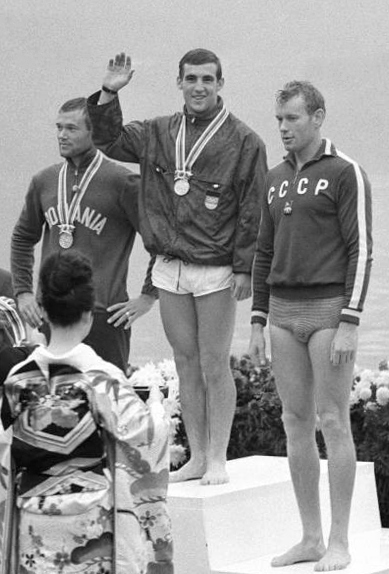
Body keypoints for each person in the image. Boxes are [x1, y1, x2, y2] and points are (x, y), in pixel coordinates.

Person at [86, 49, 268, 485]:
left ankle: (219, 457)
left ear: (221, 83)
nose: (199, 87)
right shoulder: (158, 132)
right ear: (179, 82)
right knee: (185, 362)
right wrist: (109, 92)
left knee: (213, 362)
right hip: (169, 264)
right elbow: (107, 141)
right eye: (191, 79)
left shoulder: (245, 141)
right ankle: (199, 456)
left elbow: (253, 209)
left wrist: (245, 268)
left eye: (207, 79)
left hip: (215, 266)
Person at [248, 81, 372, 571]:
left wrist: (350, 320)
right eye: (279, 119)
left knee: (333, 420)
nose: (283, 128)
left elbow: (362, 249)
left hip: (327, 310)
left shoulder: (346, 173)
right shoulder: (274, 177)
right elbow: (263, 251)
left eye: (292, 119)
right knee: (294, 422)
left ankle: (340, 541)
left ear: (317, 117)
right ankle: (311, 537)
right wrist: (257, 321)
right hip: (282, 311)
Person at [0, 250, 173, 574]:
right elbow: (148, 439)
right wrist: (157, 408)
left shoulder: (17, 379)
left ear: (44, 312)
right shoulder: (102, 379)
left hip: (33, 526)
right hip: (90, 526)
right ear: (89, 314)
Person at [11, 97, 156, 372]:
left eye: (71, 129)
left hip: (104, 316)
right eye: (59, 128)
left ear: (94, 132)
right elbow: (22, 238)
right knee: (52, 406)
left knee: (106, 404)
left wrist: (147, 297)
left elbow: (160, 245)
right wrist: (23, 293)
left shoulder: (123, 182)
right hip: (51, 313)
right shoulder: (44, 181)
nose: (61, 136)